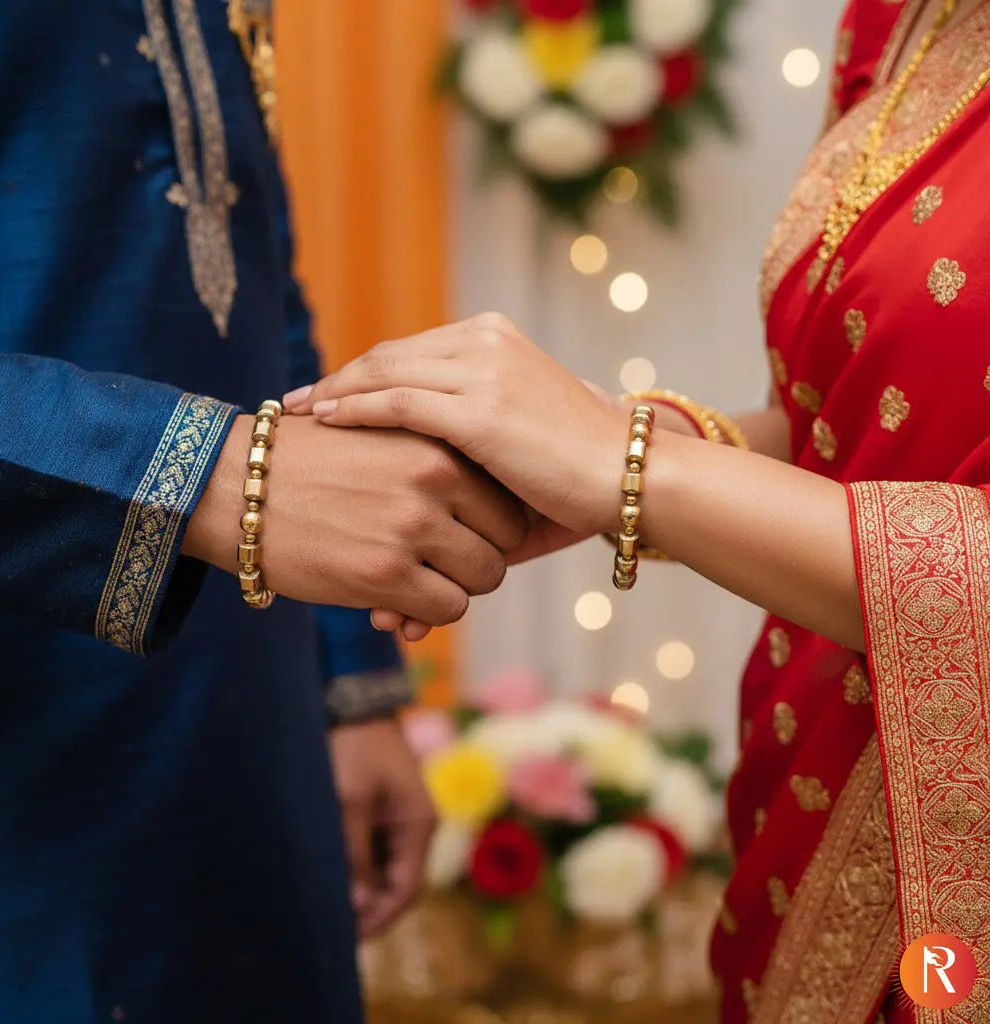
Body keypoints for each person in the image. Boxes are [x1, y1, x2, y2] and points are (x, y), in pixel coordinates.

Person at [297, 0, 990, 1019]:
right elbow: (860, 427)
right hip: (810, 783)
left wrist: (627, 470)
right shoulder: (906, 21)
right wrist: (613, 453)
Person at [0, 2, 527, 1022]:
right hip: (14, 769)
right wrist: (211, 477)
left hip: (244, 717)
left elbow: (248, 265)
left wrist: (345, 677)